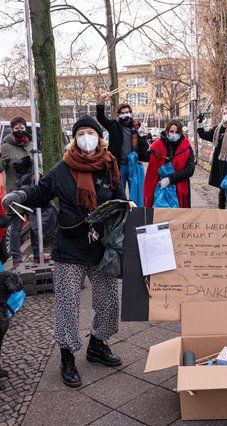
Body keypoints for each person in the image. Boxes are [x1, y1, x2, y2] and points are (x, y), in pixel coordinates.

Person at [2, 116, 136, 388]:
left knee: (109, 300)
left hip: (102, 247)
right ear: (74, 138)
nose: (87, 137)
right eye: (81, 133)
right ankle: (67, 357)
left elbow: (118, 198)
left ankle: (97, 344)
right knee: (68, 305)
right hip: (70, 247)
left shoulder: (109, 164)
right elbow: (40, 191)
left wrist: (127, 205)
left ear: (99, 137)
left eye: (91, 132)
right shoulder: (63, 168)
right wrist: (20, 195)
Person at [0, 117, 47, 266]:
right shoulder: (6, 147)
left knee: (35, 223)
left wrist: (38, 173)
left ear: (25, 128)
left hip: (31, 190)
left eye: (22, 128)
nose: (19, 131)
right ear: (12, 129)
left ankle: (37, 254)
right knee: (16, 225)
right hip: (15, 192)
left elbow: (39, 165)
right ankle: (16, 258)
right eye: (16, 128)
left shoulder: (32, 144)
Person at [96, 94, 148, 191]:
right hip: (119, 165)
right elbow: (101, 118)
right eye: (122, 113)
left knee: (135, 192)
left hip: (134, 165)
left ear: (131, 113)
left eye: (127, 112)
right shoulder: (113, 125)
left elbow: (144, 147)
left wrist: (143, 136)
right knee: (119, 192)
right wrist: (101, 103)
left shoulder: (137, 126)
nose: (125, 114)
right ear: (118, 115)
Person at [197, 106, 227, 208]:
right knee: (222, 188)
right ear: (221, 115)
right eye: (224, 113)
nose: (226, 115)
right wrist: (200, 124)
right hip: (220, 164)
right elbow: (204, 135)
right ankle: (222, 210)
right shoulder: (217, 129)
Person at [143, 120, 195, 208]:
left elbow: (190, 170)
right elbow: (144, 157)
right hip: (158, 187)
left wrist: (170, 179)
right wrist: (141, 138)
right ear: (167, 131)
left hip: (179, 187)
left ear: (180, 133)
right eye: (171, 131)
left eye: (177, 132)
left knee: (178, 215)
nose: (174, 134)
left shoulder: (186, 147)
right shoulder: (157, 145)